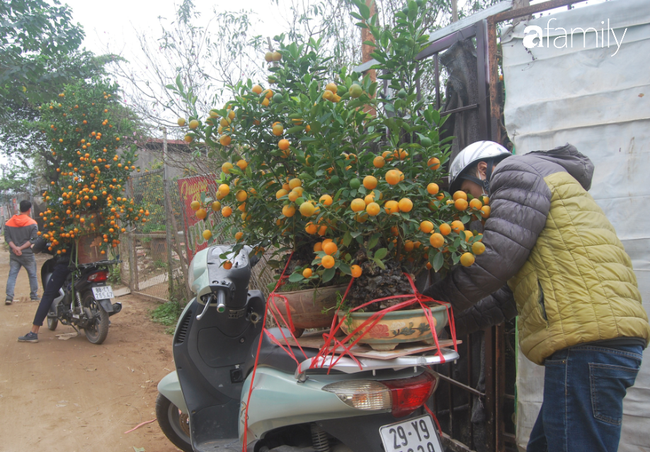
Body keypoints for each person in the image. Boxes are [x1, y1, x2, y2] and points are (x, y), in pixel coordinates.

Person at [423, 141, 650, 452]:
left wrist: (423, 306)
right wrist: (441, 326)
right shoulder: (541, 187)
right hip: (594, 341)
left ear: (482, 169)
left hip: (587, 343)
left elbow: (496, 258)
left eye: (466, 192)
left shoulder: (514, 171)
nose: (468, 205)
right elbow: (505, 296)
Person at [17, 242, 73, 343]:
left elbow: (39, 243)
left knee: (48, 295)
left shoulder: (56, 226)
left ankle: (34, 332)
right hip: (89, 262)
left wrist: (35, 246)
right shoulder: (88, 227)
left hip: (66, 264)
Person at [4, 200, 39, 304]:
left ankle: (9, 297)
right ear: (29, 209)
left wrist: (15, 248)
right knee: (32, 274)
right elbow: (33, 239)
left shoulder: (9, 222)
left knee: (12, 275)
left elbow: (7, 238)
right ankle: (33, 295)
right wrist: (21, 248)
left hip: (14, 254)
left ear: (20, 208)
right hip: (27, 254)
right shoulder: (32, 223)